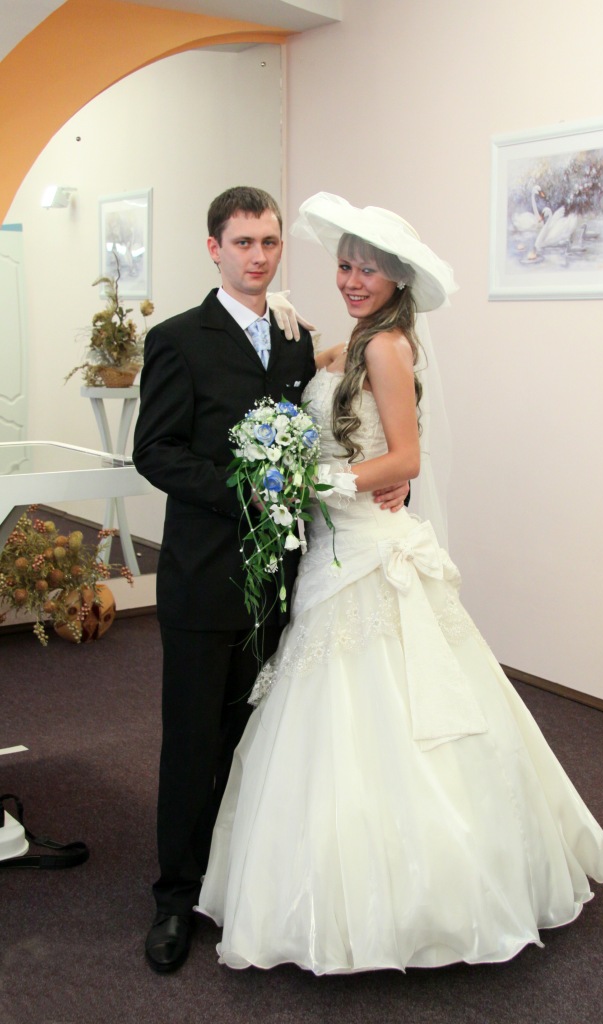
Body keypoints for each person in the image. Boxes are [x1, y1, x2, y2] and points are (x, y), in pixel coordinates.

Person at [196, 192, 603, 974]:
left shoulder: (388, 347)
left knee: (385, 710)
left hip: (365, 543)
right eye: (345, 266)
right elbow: (313, 377)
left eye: (369, 270)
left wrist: (313, 481)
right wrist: (286, 322)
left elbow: (405, 459)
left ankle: (424, 894)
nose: (353, 280)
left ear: (397, 279)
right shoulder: (358, 342)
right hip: (337, 546)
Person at [133, 185, 410, 974]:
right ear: (214, 249)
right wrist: (243, 492)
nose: (258, 257)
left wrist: (390, 477)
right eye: (243, 243)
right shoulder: (176, 339)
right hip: (203, 576)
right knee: (192, 742)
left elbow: (340, 427)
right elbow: (155, 452)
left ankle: (235, 881)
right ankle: (175, 897)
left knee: (255, 739)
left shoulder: (296, 340)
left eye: (269, 242)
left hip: (288, 581)